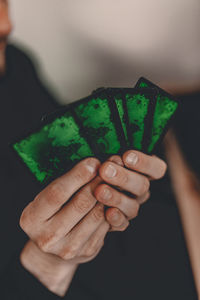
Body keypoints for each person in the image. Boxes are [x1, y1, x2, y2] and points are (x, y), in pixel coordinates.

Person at [0, 1, 200, 300]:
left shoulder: (13, 66)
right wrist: (44, 267)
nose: (6, 23)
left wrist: (127, 165)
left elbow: (68, 135)